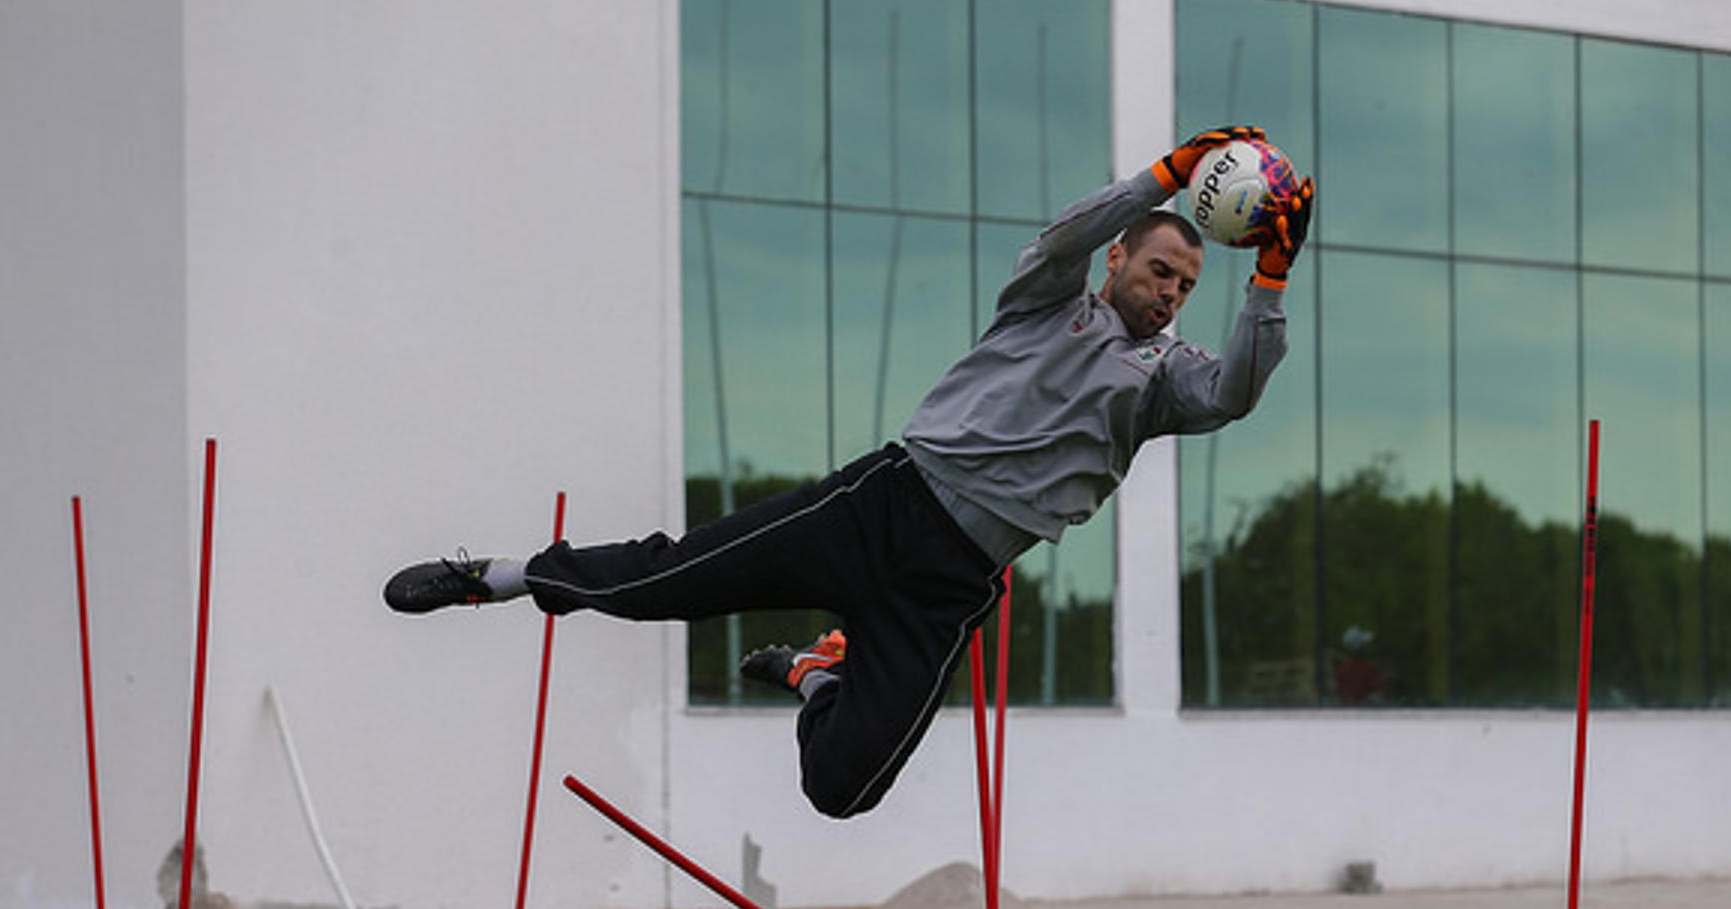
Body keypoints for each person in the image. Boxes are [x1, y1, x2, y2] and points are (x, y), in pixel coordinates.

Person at [385, 126, 1314, 820]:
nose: (1168, 294)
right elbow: (1063, 237)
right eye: (1158, 271)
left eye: (1186, 287)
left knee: (845, 790)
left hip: (954, 583)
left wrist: (1269, 276)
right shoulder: (1048, 301)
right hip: (881, 504)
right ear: (1122, 259)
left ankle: (818, 677)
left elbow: (1235, 391)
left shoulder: (1167, 381)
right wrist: (1163, 173)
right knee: (666, 579)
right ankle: (495, 577)